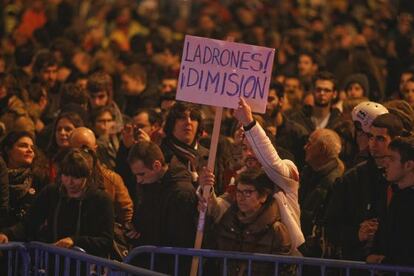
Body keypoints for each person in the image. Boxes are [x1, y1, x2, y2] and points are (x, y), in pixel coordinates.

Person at [0, 148, 114, 257]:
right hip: (53, 262)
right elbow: (29, 223)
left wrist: (75, 241)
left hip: (87, 266)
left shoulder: (101, 200)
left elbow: (106, 241)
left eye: (76, 177)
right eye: (66, 175)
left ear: (88, 175)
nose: (70, 182)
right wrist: (7, 234)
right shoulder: (52, 192)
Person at [326, 113, 406, 261]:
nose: (373, 144)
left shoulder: (404, 179)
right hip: (358, 263)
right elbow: (331, 228)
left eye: (380, 139)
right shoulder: (352, 179)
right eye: (370, 137)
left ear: (396, 141)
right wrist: (357, 233)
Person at [203, 169, 292, 275]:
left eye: (248, 193)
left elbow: (283, 269)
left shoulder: (276, 230)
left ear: (263, 196)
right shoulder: (228, 220)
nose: (241, 198)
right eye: (239, 192)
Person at [127, 140, 197, 274]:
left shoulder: (181, 193)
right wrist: (134, 228)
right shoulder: (148, 184)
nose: (138, 180)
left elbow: (181, 239)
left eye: (141, 174)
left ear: (157, 166)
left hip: (169, 266)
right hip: (150, 261)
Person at [69, 127, 133, 226]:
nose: (81, 154)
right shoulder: (63, 178)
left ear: (95, 148)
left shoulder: (111, 179)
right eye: (76, 149)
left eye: (85, 148)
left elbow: (126, 213)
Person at [367, 135, 414, 266]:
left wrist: (385, 262)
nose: (385, 163)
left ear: (408, 165)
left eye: (392, 159)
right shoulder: (395, 195)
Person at [299, 128, 344, 257]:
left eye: (309, 143)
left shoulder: (336, 182)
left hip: (317, 254)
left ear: (322, 148)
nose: (305, 147)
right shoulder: (308, 172)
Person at [0, 131, 48, 227]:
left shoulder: (39, 178)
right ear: (8, 150)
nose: (30, 150)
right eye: (23, 146)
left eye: (32, 147)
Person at [289, 71, 342, 136]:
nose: (322, 93)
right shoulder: (297, 120)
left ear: (334, 94)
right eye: (318, 89)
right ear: (312, 91)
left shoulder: (339, 123)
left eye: (327, 90)